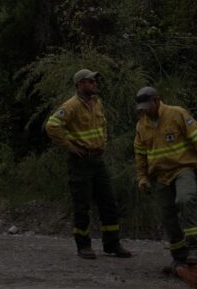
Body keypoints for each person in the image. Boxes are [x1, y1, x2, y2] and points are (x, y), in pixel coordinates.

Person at [44, 69, 132, 259]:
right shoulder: (71, 105)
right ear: (80, 84)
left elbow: (103, 125)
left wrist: (103, 142)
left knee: (108, 202)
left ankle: (112, 244)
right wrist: (69, 145)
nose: (94, 84)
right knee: (82, 204)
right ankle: (83, 246)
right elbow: (52, 125)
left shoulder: (97, 103)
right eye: (90, 81)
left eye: (94, 81)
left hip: (97, 159)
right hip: (80, 161)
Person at [133, 86, 197, 269]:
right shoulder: (142, 126)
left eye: (148, 106)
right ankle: (179, 256)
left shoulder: (176, 114)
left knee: (185, 200)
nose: (145, 110)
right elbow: (140, 154)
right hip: (160, 176)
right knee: (167, 215)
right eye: (142, 108)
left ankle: (195, 248)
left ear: (157, 100)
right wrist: (142, 177)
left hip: (183, 168)